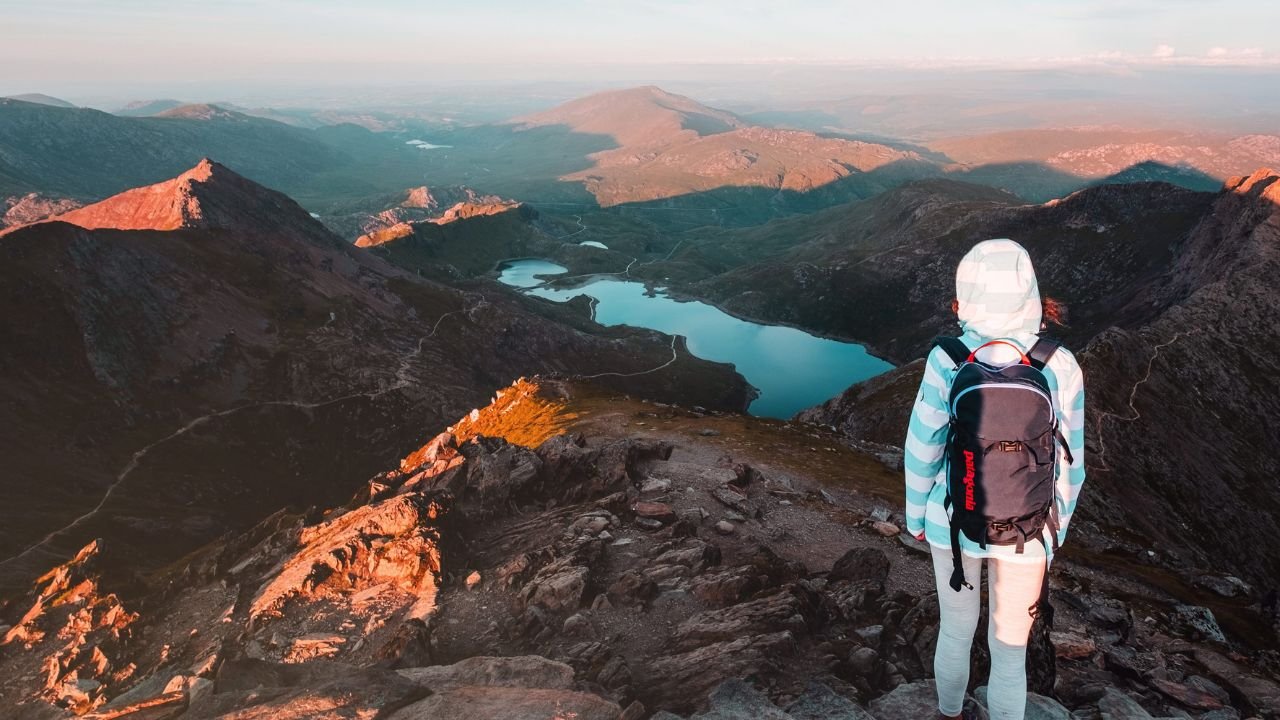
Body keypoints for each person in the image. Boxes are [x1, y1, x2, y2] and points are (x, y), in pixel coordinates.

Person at [903, 239, 1086, 720]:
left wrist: (916, 516)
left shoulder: (949, 357)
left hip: (953, 522)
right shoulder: (1058, 363)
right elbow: (1072, 461)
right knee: (1009, 650)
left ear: (966, 293)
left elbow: (922, 446)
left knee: (956, 631)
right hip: (1029, 531)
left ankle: (948, 714)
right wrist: (1055, 531)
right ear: (1030, 293)